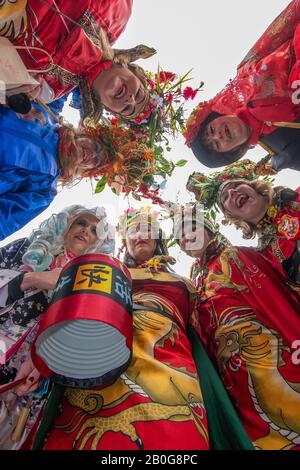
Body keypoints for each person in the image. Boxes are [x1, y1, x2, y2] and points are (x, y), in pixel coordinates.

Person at [26, 207, 253, 450]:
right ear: (125, 242)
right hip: (100, 355)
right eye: (134, 231)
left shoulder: (186, 283)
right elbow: (72, 310)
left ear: (158, 239)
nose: (141, 235)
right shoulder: (104, 270)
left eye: (148, 230)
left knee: (174, 434)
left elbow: (208, 329)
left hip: (173, 362)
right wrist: (42, 352)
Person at [174, 205, 300, 450]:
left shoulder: (237, 254)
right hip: (234, 375)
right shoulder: (194, 283)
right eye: (180, 239)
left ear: (208, 229)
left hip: (276, 353)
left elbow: (278, 291)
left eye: (192, 229)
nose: (187, 238)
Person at [0, 204, 115, 449]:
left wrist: (45, 360)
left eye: (95, 230)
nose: (86, 231)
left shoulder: (89, 282)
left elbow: (80, 338)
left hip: (26, 387)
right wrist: (30, 279)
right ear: (66, 224)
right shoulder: (25, 248)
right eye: (82, 223)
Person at [0, 102, 159, 240]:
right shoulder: (46, 113)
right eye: (96, 146)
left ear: (87, 170)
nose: (92, 154)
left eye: (96, 161)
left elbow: (5, 220)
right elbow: (67, 77)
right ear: (85, 135)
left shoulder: (45, 189)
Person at [184, 0, 300, 171]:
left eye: (211, 130)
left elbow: (283, 27)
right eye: (216, 144)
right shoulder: (284, 150)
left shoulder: (247, 71)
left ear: (215, 117)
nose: (218, 135)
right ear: (232, 152)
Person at [187, 159, 300, 285]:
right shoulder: (263, 259)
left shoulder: (296, 196)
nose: (232, 192)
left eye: (236, 186)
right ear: (232, 216)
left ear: (254, 187)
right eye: (225, 197)